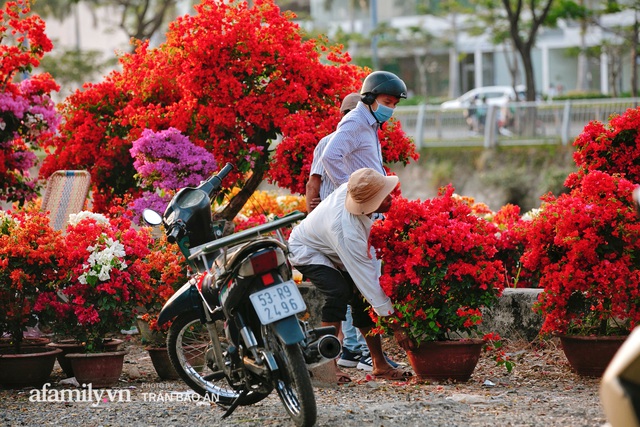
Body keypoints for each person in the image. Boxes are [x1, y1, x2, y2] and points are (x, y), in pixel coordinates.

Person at [289, 168, 415, 383]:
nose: (390, 198)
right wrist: (397, 327)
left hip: (331, 246)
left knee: (359, 298)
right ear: (368, 204)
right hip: (306, 250)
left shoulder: (356, 190)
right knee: (339, 292)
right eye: (382, 197)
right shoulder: (347, 231)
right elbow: (370, 285)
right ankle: (326, 365)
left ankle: (379, 364)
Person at [320, 70, 407, 373]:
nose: (391, 108)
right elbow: (331, 157)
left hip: (368, 214)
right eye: (387, 101)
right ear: (370, 98)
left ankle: (370, 358)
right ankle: (354, 358)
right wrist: (353, 193)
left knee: (361, 288)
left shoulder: (370, 124)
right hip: (357, 215)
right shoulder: (356, 121)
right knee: (359, 285)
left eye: (395, 103)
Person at [305, 92, 361, 213]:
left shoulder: (367, 141)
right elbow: (313, 184)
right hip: (337, 212)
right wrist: (314, 216)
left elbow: (313, 184)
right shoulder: (328, 142)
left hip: (352, 210)